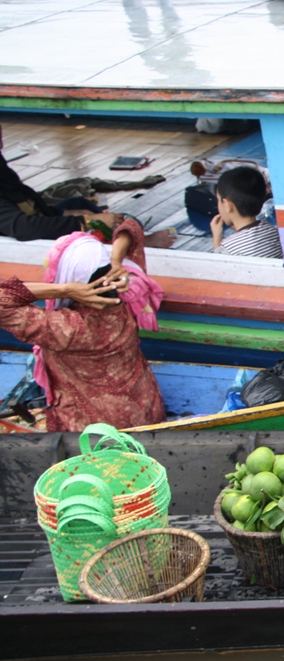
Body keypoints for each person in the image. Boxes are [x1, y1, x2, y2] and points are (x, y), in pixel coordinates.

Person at [0, 216, 166, 431]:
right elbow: (132, 224)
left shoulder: (68, 327)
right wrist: (115, 261)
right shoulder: (127, 295)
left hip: (97, 428)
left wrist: (63, 289)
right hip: (147, 412)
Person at [0, 124, 175, 247]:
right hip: (21, 241)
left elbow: (27, 206)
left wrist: (63, 213)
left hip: (24, 221)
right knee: (86, 226)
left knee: (78, 204)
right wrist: (88, 221)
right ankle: (135, 244)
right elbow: (23, 228)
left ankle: (121, 235)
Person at [211, 166, 283, 258]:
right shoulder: (275, 233)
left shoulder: (228, 248)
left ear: (226, 205)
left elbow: (218, 267)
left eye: (218, 200)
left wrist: (217, 239)